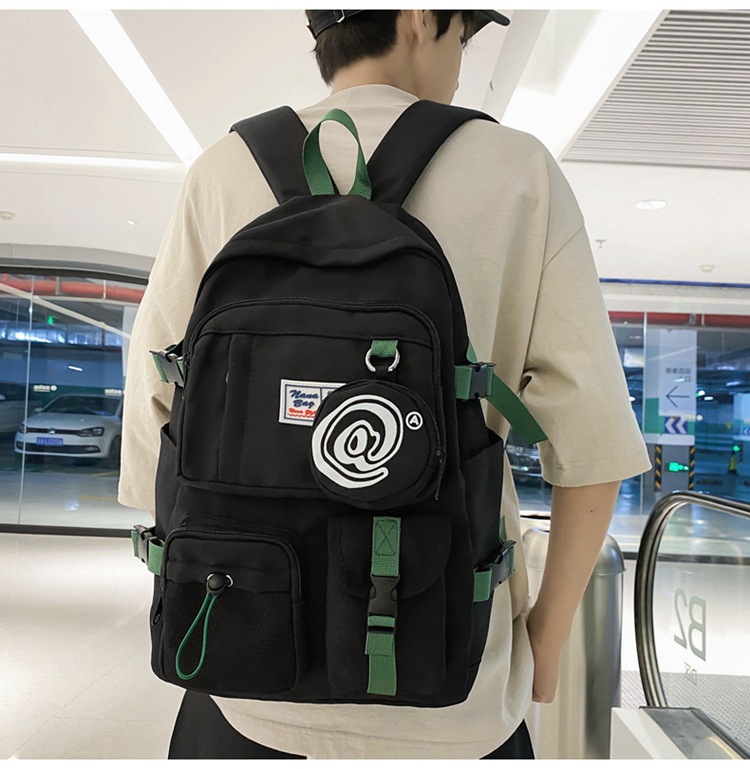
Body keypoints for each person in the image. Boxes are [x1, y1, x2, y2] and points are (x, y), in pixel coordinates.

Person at [118, 9, 651, 760]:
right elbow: (593, 448)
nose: (461, 65)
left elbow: (155, 408)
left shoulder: (222, 168)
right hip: (453, 682)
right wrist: (546, 635)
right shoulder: (518, 170)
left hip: (244, 671)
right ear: (420, 17)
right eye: (464, 36)